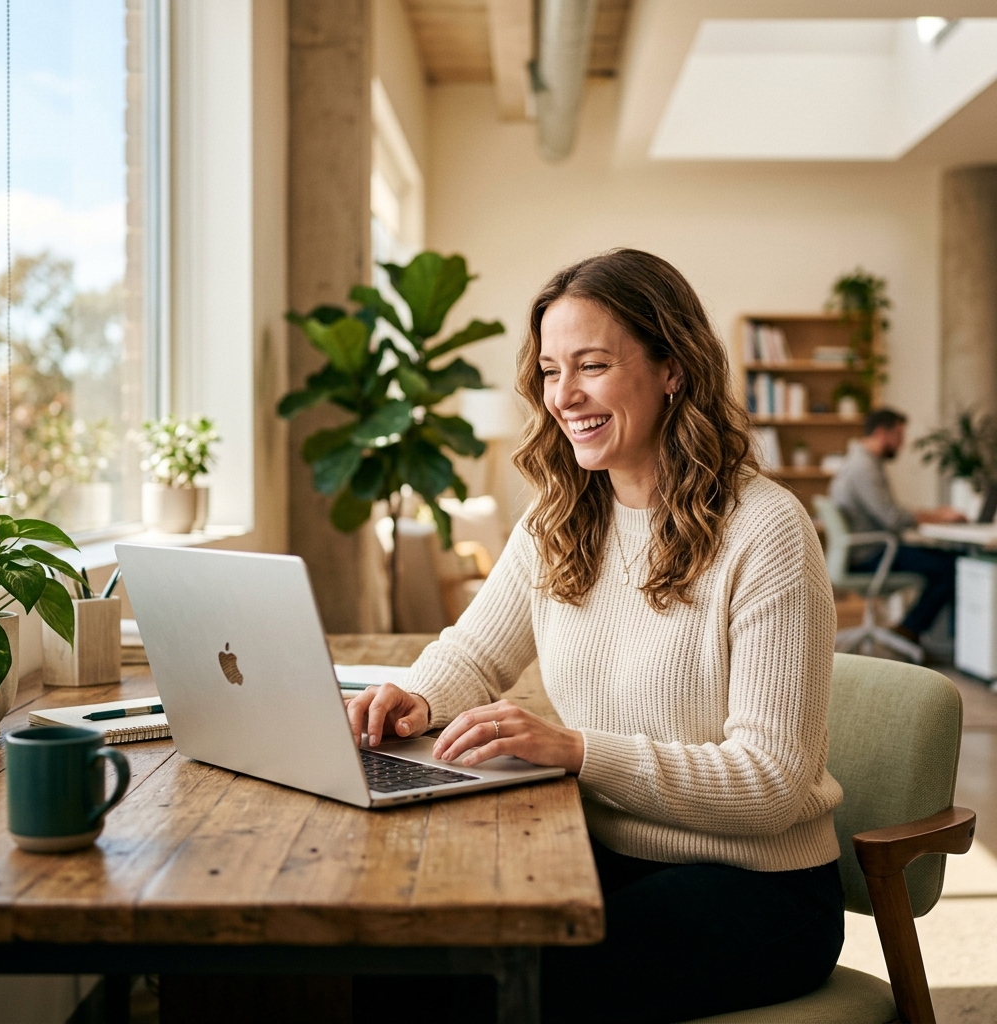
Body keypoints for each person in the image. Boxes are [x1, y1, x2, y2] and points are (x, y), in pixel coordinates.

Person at [347, 249, 845, 1023]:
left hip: (755, 888)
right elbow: (476, 653)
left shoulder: (766, 529)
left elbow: (773, 783)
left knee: (501, 989)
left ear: (672, 367)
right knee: (405, 954)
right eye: (550, 370)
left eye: (593, 365)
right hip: (598, 854)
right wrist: (410, 694)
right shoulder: (560, 515)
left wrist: (577, 749)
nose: (564, 395)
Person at [829, 407, 964, 645]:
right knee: (951, 565)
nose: (902, 444)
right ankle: (909, 630)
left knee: (946, 558)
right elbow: (893, 518)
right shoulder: (864, 467)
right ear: (882, 433)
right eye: (899, 435)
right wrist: (938, 516)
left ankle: (912, 629)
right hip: (872, 555)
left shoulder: (859, 462)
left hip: (867, 551)